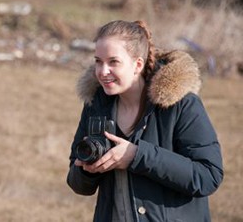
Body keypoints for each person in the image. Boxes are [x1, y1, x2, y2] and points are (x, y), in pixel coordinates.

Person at [66, 20, 223, 222]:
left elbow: (208, 177)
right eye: (98, 61)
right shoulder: (95, 106)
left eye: (113, 62)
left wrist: (137, 156)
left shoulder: (181, 104)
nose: (103, 71)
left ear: (137, 64)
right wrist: (87, 171)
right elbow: (76, 183)